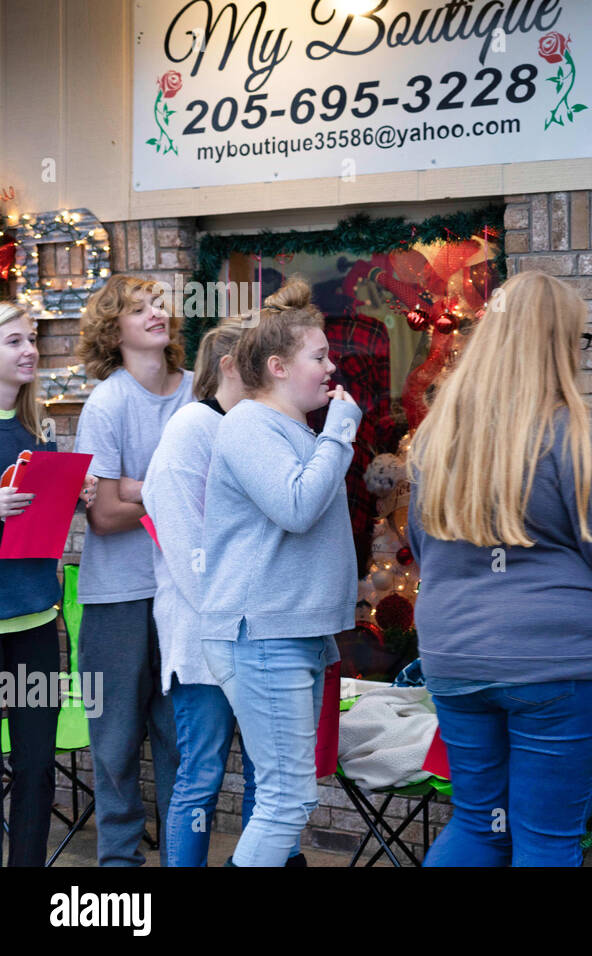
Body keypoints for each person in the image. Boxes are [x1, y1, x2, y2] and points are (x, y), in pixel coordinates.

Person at [406, 271, 592, 867]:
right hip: (562, 665)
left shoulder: (438, 439)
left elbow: (425, 546)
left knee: (478, 826)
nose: (581, 352)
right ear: (558, 345)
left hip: (458, 656)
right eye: (580, 339)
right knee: (546, 840)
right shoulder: (578, 436)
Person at [199, 278, 360, 867]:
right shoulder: (248, 425)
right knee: (289, 797)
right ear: (277, 365)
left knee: (282, 793)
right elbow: (295, 508)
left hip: (292, 634)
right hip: (261, 633)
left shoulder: (292, 429)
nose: (330, 366)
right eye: (318, 356)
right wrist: (341, 434)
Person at [142, 318, 307, 867]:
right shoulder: (192, 428)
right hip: (205, 636)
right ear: (235, 366)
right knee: (203, 771)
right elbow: (185, 545)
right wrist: (230, 614)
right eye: (264, 359)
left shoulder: (257, 427)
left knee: (268, 773)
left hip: (256, 633)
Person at [75, 275, 191, 866]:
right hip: (116, 599)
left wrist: (135, 487)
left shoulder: (199, 394)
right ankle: (118, 873)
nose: (156, 314)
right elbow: (103, 516)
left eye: (160, 304)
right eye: (139, 308)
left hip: (187, 597)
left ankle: (180, 859)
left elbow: (218, 493)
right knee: (115, 748)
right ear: (112, 329)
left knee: (183, 747)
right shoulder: (107, 403)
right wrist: (172, 489)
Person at [0, 303, 95, 866]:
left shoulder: (41, 432)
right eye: (14, 341)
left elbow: (43, 527)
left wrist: (74, 500)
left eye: (31, 338)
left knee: (36, 768)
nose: (30, 349)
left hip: (35, 619)